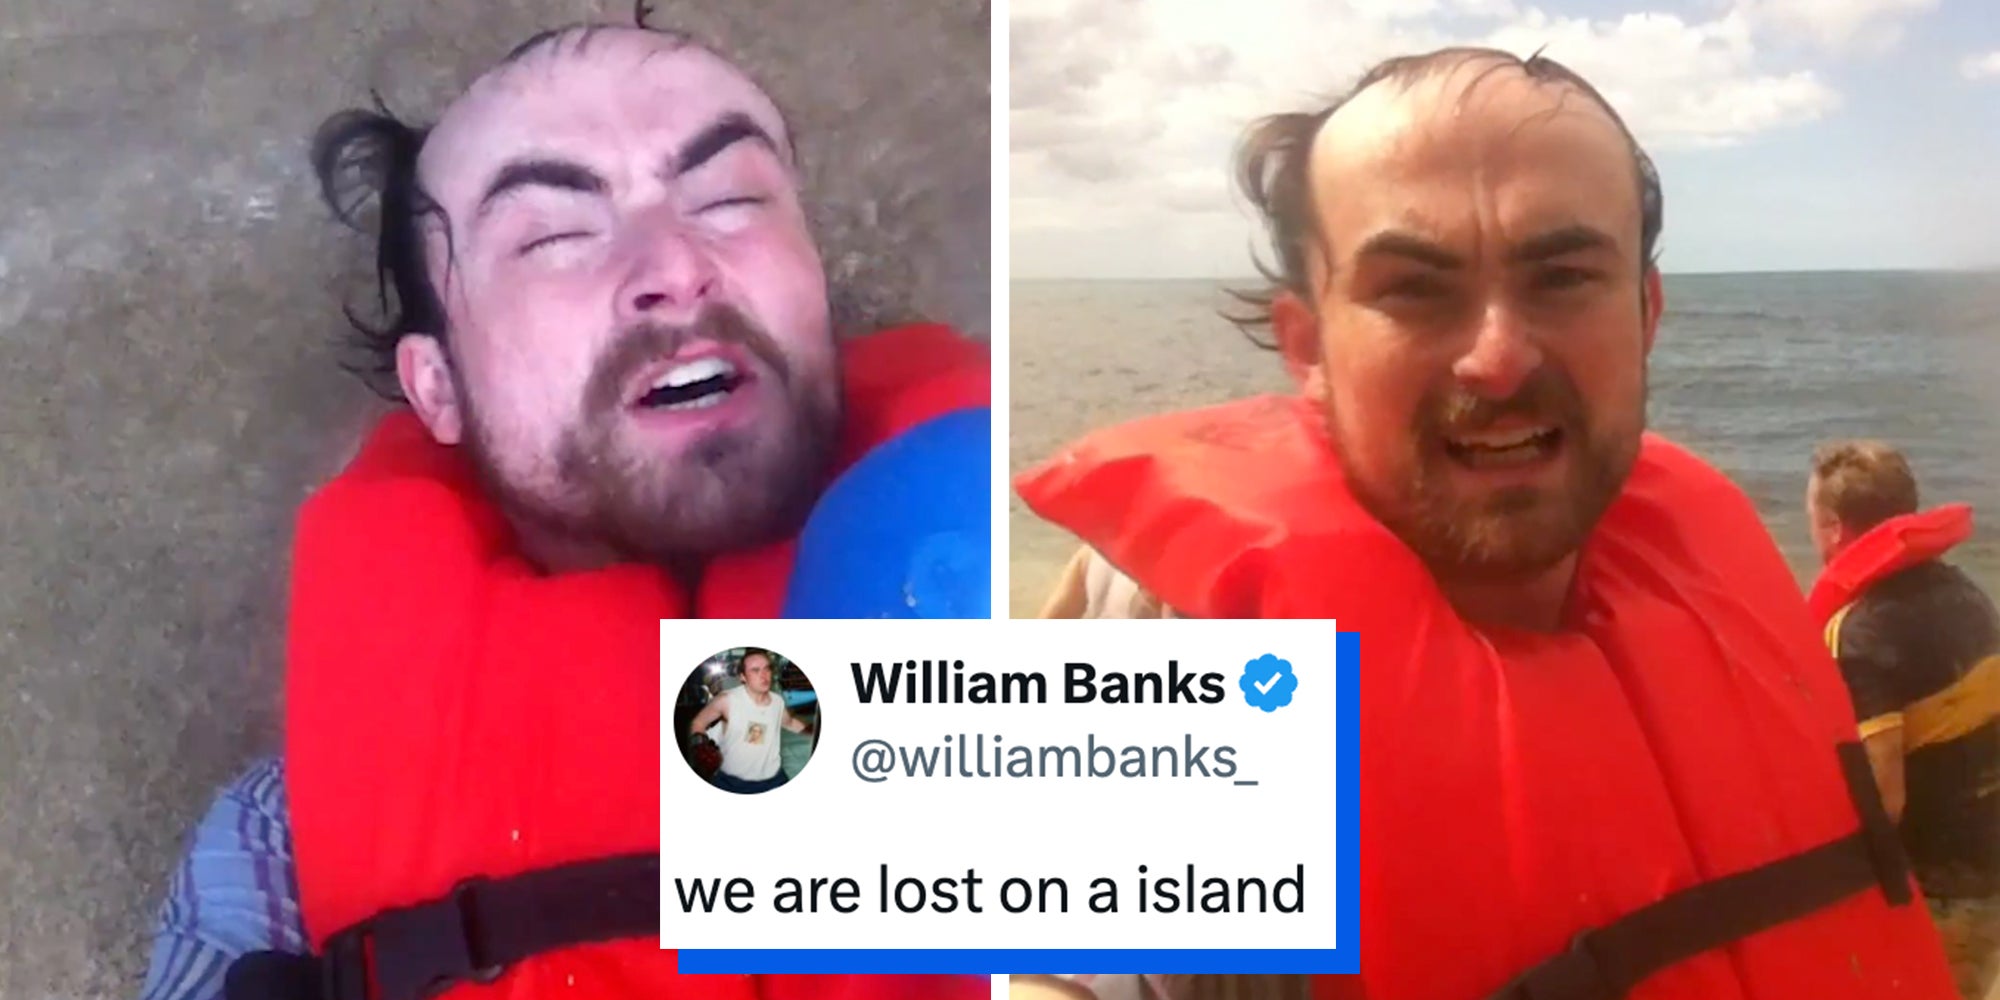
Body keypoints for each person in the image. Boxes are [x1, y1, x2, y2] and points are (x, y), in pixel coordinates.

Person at [1015, 47, 1958, 1000]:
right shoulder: (1188, 636)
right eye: (1413, 290)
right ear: (1309, 347)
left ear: (1647, 313)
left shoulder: (1729, 593)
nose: (1498, 359)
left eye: (1563, 277)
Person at [139, 15, 987, 1000]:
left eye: (730, 198)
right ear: (438, 388)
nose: (674, 266)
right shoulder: (272, 848)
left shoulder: (1048, 627)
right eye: (553, 234)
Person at [1806, 440, 2000, 998]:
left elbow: (1884, 798)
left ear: (1837, 530)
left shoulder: (1861, 633)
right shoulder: (1969, 596)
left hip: (1938, 896)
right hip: (1987, 870)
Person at [687, 649, 811, 792]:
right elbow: (698, 723)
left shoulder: (777, 701)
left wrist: (813, 729)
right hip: (731, 783)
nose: (764, 675)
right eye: (755, 670)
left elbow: (789, 723)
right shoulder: (726, 700)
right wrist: (699, 745)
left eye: (767, 669)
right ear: (743, 677)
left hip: (774, 781)